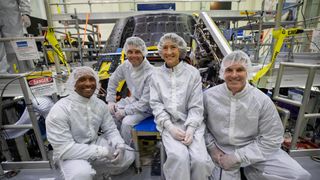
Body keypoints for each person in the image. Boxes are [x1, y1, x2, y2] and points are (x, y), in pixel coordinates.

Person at [204, 50, 311, 180]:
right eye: (229, 70)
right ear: (222, 73)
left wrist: (240, 157)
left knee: (300, 176)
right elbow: (201, 125)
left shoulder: (261, 100)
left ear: (247, 72)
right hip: (220, 149)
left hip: (256, 149)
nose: (234, 75)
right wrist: (212, 148)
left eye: (240, 70)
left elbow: (272, 137)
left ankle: (250, 172)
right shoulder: (209, 96)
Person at [46, 67, 134, 180]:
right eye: (82, 80)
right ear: (73, 84)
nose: (88, 84)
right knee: (82, 174)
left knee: (128, 156)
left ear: (96, 82)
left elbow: (110, 129)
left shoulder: (99, 104)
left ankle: (97, 173)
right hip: (70, 154)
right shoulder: (61, 110)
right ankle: (80, 172)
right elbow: (65, 149)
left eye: (91, 79)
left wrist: (119, 144)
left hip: (94, 143)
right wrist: (102, 152)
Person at [149, 33, 214, 180]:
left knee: (200, 161)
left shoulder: (192, 73)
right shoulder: (156, 75)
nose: (169, 52)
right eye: (165, 48)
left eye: (173, 47)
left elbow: (196, 105)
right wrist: (169, 127)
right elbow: (156, 104)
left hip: (193, 123)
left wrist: (191, 128)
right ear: (160, 51)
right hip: (169, 124)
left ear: (181, 50)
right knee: (179, 158)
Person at [106, 37, 153, 145]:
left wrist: (125, 111)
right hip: (134, 100)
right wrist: (111, 101)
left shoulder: (150, 73)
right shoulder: (126, 65)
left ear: (143, 53)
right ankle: (116, 143)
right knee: (111, 113)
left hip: (148, 107)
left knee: (127, 123)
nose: (133, 55)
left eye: (137, 52)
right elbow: (113, 81)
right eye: (130, 52)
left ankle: (128, 151)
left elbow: (145, 103)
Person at [0, 0, 34, 73]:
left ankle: (20, 72)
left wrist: (25, 13)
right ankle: (3, 74)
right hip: (10, 15)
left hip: (11, 15)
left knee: (15, 44)